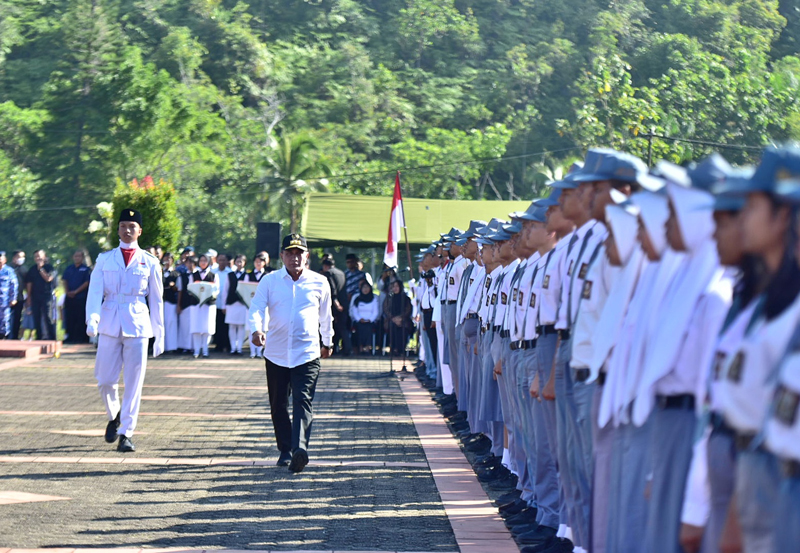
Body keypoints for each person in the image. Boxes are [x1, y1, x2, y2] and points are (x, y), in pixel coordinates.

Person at [248, 233, 333, 473]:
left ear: (306, 256)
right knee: (278, 404)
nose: (294, 258)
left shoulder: (319, 282)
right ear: (282, 256)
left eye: (299, 253)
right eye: (290, 253)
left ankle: (299, 449)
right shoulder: (270, 280)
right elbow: (257, 308)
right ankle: (285, 449)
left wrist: (328, 342)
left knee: (302, 400)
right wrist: (256, 330)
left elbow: (326, 316)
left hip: (307, 352)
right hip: (275, 352)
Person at [85, 208, 164, 453]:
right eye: (123, 226)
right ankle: (114, 415)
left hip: (138, 324)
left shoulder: (150, 262)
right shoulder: (105, 259)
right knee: (105, 379)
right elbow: (95, 291)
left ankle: (126, 433)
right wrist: (92, 318)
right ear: (117, 229)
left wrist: (160, 334)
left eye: (132, 226)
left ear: (140, 231)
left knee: (133, 383)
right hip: (109, 321)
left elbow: (157, 301)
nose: (127, 230)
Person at [188, 253, 219, 358]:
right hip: (196, 304)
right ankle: (196, 350)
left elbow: (216, 290)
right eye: (201, 260)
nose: (203, 263)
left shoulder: (214, 275)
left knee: (207, 328)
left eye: (205, 261)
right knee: (196, 327)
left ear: (209, 262)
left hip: (208, 304)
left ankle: (205, 350)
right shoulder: (193, 275)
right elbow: (189, 289)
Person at [61, 249, 92, 343]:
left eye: (79, 256)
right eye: (75, 256)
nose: (77, 258)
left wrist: (76, 292)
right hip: (70, 297)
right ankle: (70, 337)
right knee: (70, 317)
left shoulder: (86, 269)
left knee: (80, 318)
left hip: (81, 297)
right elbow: (65, 280)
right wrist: (67, 292)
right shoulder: (69, 268)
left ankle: (81, 338)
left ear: (82, 258)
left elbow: (87, 282)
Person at [25, 249, 56, 340]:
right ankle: (39, 337)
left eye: (39, 256)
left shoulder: (49, 267)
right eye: (36, 256)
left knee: (48, 317)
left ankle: (52, 337)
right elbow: (29, 284)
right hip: (35, 296)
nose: (38, 258)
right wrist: (29, 297)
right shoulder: (32, 269)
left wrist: (41, 269)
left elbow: (48, 278)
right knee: (36, 317)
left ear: (44, 256)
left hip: (47, 296)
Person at [321, 257, 349, 355]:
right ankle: (346, 349)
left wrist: (336, 302)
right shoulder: (341, 273)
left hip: (335, 304)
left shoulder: (328, 273)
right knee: (343, 327)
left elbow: (332, 289)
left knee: (332, 326)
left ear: (325, 266)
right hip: (344, 302)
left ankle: (332, 348)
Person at [223, 254, 249, 355]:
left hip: (242, 304)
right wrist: (224, 305)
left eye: (241, 262)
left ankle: (239, 348)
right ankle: (233, 347)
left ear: (244, 263)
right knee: (232, 326)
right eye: (237, 261)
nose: (239, 263)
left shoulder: (247, 275)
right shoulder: (229, 275)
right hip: (231, 303)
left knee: (241, 327)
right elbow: (225, 290)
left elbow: (247, 290)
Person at [383, 279, 413, 357]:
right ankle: (393, 348)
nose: (395, 288)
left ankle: (401, 349)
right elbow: (386, 309)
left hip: (403, 320)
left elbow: (408, 309)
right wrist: (393, 318)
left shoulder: (405, 298)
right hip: (391, 320)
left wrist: (400, 318)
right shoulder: (389, 298)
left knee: (403, 328)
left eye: (397, 286)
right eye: (393, 286)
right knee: (392, 327)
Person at [349, 281, 379, 354]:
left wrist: (370, 319)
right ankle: (360, 347)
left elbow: (375, 312)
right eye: (364, 287)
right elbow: (354, 311)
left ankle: (368, 347)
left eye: (367, 287)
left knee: (368, 328)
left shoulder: (374, 299)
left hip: (370, 321)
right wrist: (359, 319)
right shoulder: (357, 299)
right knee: (359, 327)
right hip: (359, 320)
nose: (365, 289)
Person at [176, 255, 197, 353]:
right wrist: (179, 305)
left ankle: (194, 346)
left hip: (196, 304)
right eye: (189, 263)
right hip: (185, 303)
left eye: (193, 263)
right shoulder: (182, 276)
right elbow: (180, 291)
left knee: (194, 325)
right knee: (185, 326)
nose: (191, 265)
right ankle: (185, 346)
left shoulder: (199, 275)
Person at [249, 253, 269, 358]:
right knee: (253, 327)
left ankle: (260, 351)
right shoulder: (249, 275)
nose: (258, 263)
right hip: (251, 303)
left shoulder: (268, 275)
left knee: (264, 327)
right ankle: (253, 352)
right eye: (256, 261)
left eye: (260, 261)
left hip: (265, 305)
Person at [213, 252, 232, 353]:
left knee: (226, 325)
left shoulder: (230, 272)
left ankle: (226, 345)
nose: (221, 262)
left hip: (226, 304)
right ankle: (218, 345)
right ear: (217, 260)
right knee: (217, 324)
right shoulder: (213, 272)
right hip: (214, 303)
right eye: (220, 260)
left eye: (223, 260)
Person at [162, 253, 179, 353]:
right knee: (162, 323)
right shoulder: (159, 272)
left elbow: (178, 288)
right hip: (161, 301)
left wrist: (173, 286)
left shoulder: (175, 273)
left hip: (171, 301)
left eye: (169, 259)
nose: (167, 261)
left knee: (171, 323)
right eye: (165, 259)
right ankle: (162, 346)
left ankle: (171, 347)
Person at [0, 251, 19, 339]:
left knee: (4, 320)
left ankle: (3, 337)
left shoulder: (9, 271)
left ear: (5, 260)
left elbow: (14, 285)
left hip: (4, 301)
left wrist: (13, 298)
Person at [10, 251, 26, 340]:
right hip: (7, 298)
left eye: (23, 257)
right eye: (20, 257)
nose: (21, 259)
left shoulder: (24, 269)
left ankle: (15, 337)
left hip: (19, 298)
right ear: (14, 257)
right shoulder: (8, 268)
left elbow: (27, 284)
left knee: (17, 319)